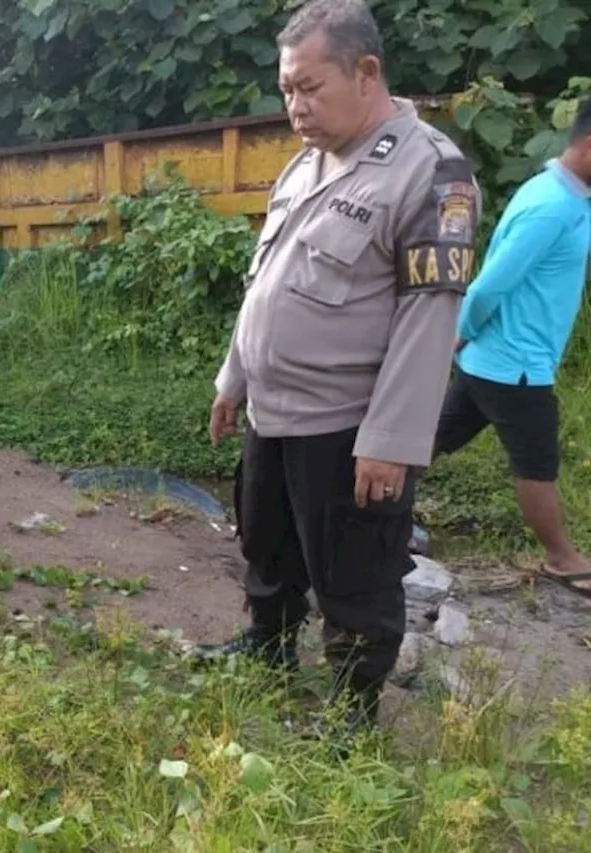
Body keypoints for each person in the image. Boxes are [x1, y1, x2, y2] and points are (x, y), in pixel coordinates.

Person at [194, 0, 481, 738]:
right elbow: (268, 281)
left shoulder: (430, 173)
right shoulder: (307, 163)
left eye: (310, 87)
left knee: (354, 572)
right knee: (269, 541)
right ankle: (269, 645)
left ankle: (353, 715)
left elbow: (429, 317)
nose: (295, 105)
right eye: (288, 89)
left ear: (367, 72)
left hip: (348, 423)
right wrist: (235, 377)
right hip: (276, 410)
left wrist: (391, 439)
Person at [432, 99, 591, 598]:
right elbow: (487, 287)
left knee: (428, 436)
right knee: (537, 463)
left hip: (493, 362)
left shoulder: (564, 195)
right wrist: (460, 332)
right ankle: (563, 559)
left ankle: (355, 494)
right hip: (514, 366)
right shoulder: (551, 207)